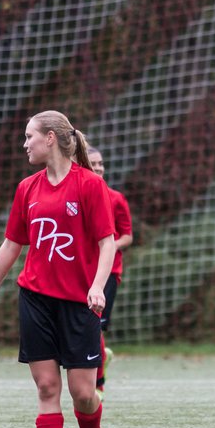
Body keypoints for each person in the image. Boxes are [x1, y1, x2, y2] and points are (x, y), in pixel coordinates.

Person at [0, 111, 116, 428]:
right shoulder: (27, 189)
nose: (24, 144)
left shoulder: (89, 186)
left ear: (50, 138)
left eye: (29, 136)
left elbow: (106, 242)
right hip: (35, 299)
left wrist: (97, 286)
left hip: (79, 303)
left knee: (84, 393)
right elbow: (11, 244)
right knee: (47, 387)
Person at [88, 147, 134, 398]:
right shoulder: (77, 195)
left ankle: (99, 385)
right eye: (92, 164)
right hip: (82, 271)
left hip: (109, 271)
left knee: (95, 325)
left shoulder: (116, 198)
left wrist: (108, 246)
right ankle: (100, 356)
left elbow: (127, 236)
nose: (98, 168)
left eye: (101, 164)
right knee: (87, 326)